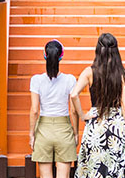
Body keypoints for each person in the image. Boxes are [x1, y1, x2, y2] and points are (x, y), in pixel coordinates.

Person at [71, 32, 125, 178]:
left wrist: (82, 115)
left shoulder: (89, 72)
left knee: (93, 170)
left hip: (95, 125)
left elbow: (73, 95)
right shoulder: (122, 74)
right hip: (116, 126)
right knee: (114, 170)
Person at [29, 40, 79, 178]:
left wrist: (31, 134)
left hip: (43, 129)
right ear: (61, 56)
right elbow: (73, 111)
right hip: (63, 129)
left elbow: (34, 110)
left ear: (45, 55)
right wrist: (75, 133)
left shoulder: (36, 80)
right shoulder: (70, 80)